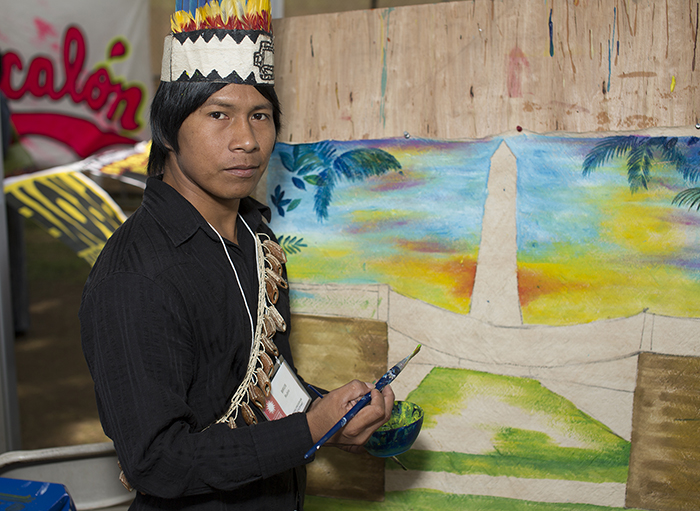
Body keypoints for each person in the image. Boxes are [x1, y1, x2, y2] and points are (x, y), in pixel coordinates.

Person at [79, 2, 393, 510]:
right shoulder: (137, 276)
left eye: (260, 116)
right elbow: (158, 461)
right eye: (218, 114)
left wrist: (330, 413)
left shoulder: (255, 240)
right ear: (167, 128)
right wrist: (306, 430)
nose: (246, 140)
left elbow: (257, 387)